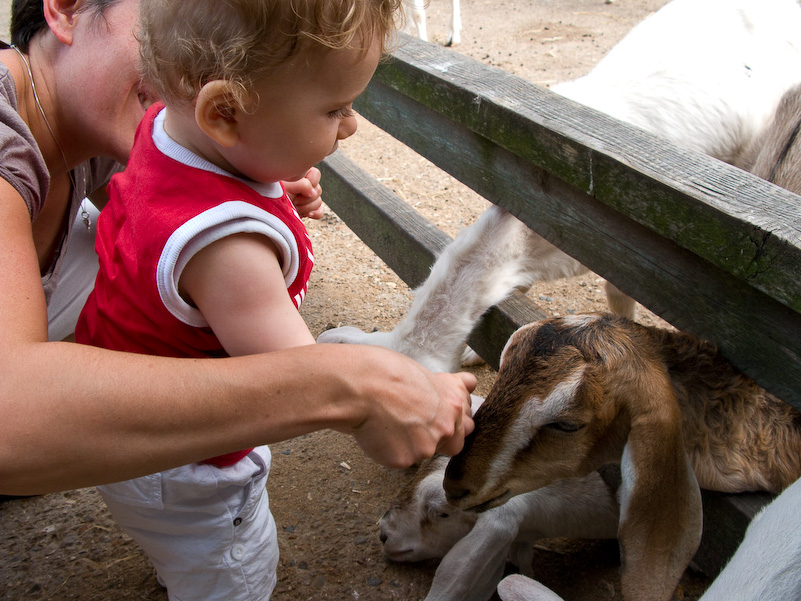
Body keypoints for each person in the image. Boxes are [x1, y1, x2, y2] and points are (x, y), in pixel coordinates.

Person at [0, 0, 474, 500]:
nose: (188, 42)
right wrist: (351, 387)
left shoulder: (104, 119)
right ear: (68, 9)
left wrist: (233, 188)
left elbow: (144, 189)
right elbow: (8, 414)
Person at [72, 0, 420, 598]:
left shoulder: (168, 123)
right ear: (226, 113)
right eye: (335, 108)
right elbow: (308, 380)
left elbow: (187, 187)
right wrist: (393, 401)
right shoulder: (228, 252)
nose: (351, 125)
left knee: (180, 544)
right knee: (233, 565)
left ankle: (177, 559)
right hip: (189, 465)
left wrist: (268, 185)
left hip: (128, 422)